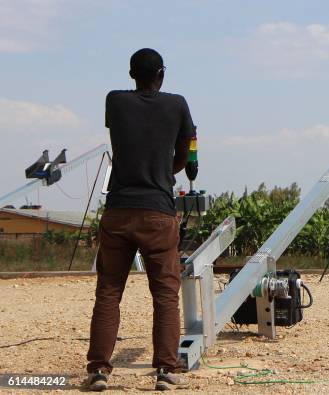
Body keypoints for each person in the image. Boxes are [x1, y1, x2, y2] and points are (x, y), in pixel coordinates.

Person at [85, 48, 194, 391]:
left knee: (108, 291)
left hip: (118, 210)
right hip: (158, 212)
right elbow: (188, 149)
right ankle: (165, 370)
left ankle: (99, 370)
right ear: (162, 73)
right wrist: (176, 167)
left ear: (131, 74)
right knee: (165, 294)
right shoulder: (177, 104)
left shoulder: (114, 101)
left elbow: (129, 139)